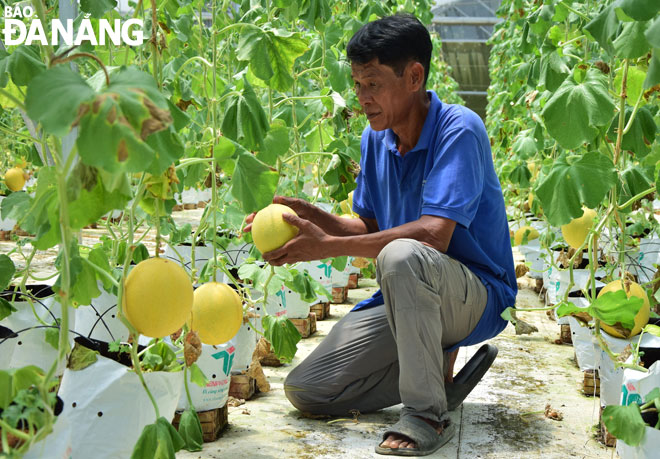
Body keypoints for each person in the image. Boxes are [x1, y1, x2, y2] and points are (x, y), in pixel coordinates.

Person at [244, 13, 517, 457]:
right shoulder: (377, 139)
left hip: (477, 294)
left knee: (402, 256)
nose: (362, 98)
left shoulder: (459, 128)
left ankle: (426, 412)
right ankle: (438, 379)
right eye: (356, 85)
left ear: (414, 76)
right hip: (408, 296)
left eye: (372, 84)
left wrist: (326, 247)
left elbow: (433, 237)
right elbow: (368, 226)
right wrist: (308, 216)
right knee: (307, 391)